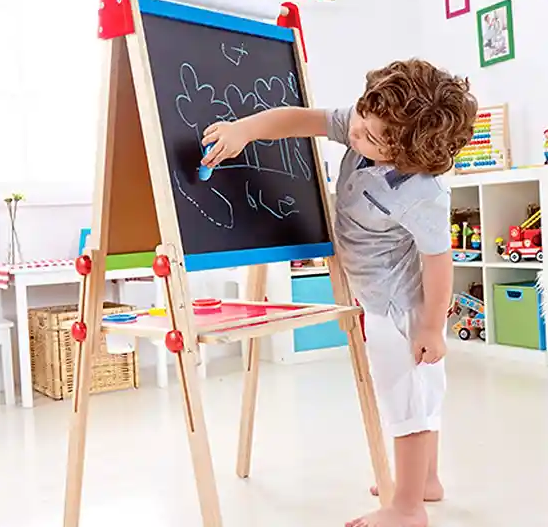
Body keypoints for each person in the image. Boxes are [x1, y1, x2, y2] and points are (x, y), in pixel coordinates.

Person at [201, 59, 478, 527]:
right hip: (378, 298)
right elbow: (301, 118)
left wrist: (431, 325)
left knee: (406, 400)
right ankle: (424, 482)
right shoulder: (365, 121)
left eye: (373, 138)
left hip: (400, 308)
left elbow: (438, 260)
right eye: (361, 123)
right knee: (420, 395)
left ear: (412, 154)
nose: (357, 135)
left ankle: (408, 508)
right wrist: (244, 130)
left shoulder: (423, 193)